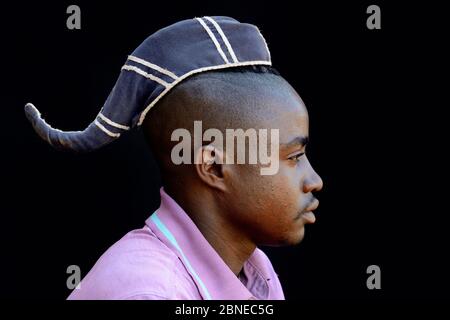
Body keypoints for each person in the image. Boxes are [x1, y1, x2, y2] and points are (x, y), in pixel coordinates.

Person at [25, 16, 322, 300]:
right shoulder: (150, 292)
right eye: (294, 157)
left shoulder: (255, 270)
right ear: (214, 167)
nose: (314, 181)